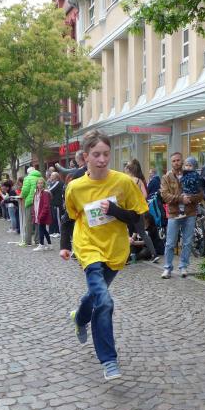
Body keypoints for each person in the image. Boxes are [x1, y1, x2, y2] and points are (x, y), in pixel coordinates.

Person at [61, 130, 148, 381]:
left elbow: (137, 217)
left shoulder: (123, 182)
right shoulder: (75, 187)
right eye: (96, 154)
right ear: (85, 156)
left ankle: (79, 318)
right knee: (105, 301)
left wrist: (115, 210)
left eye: (106, 154)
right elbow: (69, 218)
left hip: (115, 248)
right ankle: (109, 360)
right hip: (88, 247)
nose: (102, 160)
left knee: (95, 295)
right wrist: (64, 245)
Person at [161, 154, 203, 279]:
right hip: (174, 213)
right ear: (171, 163)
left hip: (190, 212)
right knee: (170, 242)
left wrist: (190, 198)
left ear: (182, 161)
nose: (176, 162)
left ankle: (183, 266)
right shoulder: (166, 177)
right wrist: (180, 199)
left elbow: (200, 194)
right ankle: (167, 268)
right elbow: (165, 195)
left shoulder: (193, 175)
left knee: (187, 242)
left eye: (178, 160)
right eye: (173, 161)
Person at [125, 159, 157, 261]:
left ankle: (126, 256)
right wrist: (138, 202)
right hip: (138, 210)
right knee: (142, 233)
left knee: (126, 232)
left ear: (128, 170)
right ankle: (154, 254)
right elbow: (145, 195)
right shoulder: (139, 181)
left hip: (127, 210)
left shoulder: (125, 180)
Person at [20, 167, 41, 247]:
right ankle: (37, 240)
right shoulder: (41, 177)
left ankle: (28, 240)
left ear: (28, 173)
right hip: (39, 201)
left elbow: (25, 190)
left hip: (30, 201)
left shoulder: (27, 178)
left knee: (28, 221)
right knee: (38, 221)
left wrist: (22, 196)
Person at [32, 178, 53, 251]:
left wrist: (41, 215)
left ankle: (41, 245)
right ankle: (50, 244)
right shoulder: (36, 192)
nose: (40, 184)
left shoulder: (45, 193)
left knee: (41, 229)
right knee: (43, 229)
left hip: (42, 214)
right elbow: (35, 203)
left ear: (44, 184)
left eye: (41, 183)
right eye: (38, 183)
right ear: (36, 184)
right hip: (38, 213)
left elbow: (46, 205)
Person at [47, 172, 64, 237]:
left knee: (58, 218)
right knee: (54, 218)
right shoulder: (52, 183)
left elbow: (49, 190)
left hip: (57, 203)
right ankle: (55, 231)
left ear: (56, 177)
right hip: (53, 203)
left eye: (52, 175)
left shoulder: (58, 182)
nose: (51, 176)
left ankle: (59, 232)